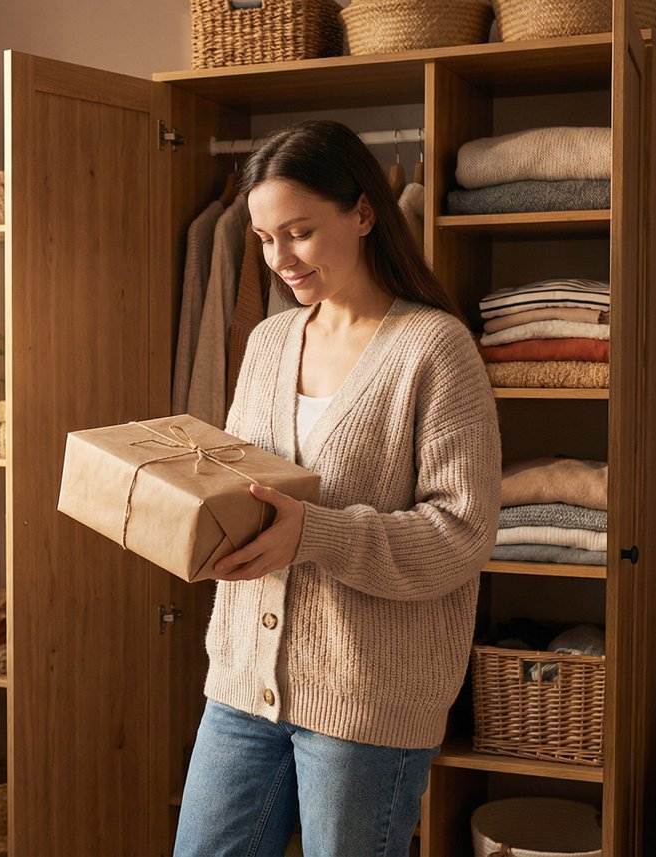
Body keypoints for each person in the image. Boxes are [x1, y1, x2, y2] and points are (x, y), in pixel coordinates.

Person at [173, 119, 502, 857]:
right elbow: (240, 484)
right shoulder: (267, 342)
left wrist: (313, 532)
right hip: (240, 682)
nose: (278, 258)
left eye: (298, 232)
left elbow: (463, 533)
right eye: (263, 238)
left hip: (367, 700)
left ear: (362, 212)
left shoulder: (434, 348)